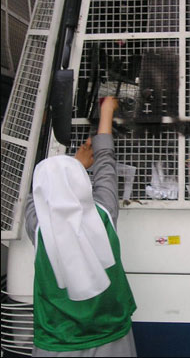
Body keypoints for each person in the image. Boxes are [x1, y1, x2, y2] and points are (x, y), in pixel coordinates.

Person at [24, 96, 137, 357]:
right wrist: (107, 109)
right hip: (112, 337)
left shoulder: (40, 227)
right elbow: (106, 161)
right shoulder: (103, 215)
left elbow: (35, 190)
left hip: (56, 342)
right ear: (81, 182)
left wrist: (73, 165)